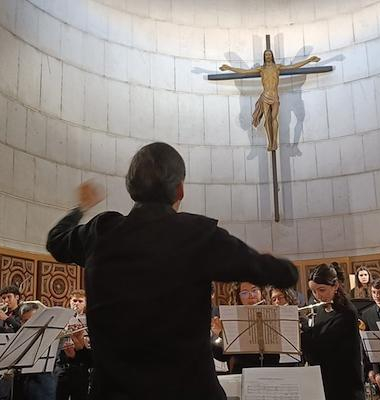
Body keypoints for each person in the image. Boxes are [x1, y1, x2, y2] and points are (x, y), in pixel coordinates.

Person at [46, 142, 298, 399]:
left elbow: (55, 241)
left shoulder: (100, 231)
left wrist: (81, 207)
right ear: (179, 189)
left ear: (131, 188)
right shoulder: (199, 236)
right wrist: (270, 262)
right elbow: (285, 275)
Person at [219, 51, 320, 151]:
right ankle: (270, 142)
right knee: (267, 119)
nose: (268, 56)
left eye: (269, 54)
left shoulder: (277, 67)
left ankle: (275, 141)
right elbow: (244, 71)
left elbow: (293, 67)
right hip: (265, 96)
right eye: (266, 54)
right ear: (264, 56)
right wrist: (229, 68)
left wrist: (309, 60)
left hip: (274, 96)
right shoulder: (261, 69)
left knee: (274, 118)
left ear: (272, 56)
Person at [300, 263, 363, 399]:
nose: (317, 296)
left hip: (345, 387)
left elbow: (322, 348)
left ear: (335, 286)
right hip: (326, 382)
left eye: (321, 290)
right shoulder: (322, 309)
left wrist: (304, 329)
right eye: (313, 291)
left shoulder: (347, 313)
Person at [212, 282, 280, 373]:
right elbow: (220, 356)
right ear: (238, 297)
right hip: (241, 373)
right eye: (244, 293)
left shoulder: (274, 315)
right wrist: (221, 334)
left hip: (272, 372)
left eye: (254, 290)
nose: (251, 295)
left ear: (261, 292)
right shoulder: (231, 319)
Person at [57, 290, 92, 400]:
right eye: (74, 301)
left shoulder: (90, 319)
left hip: (81, 364)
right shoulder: (64, 318)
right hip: (64, 364)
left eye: (80, 301)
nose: (76, 303)